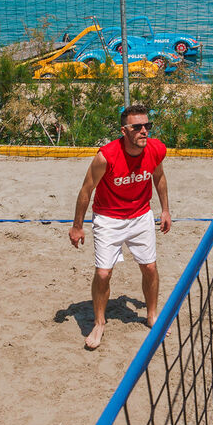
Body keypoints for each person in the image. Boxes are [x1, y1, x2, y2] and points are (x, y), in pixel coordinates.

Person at [68, 105, 172, 351]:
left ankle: (152, 315)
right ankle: (99, 323)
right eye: (137, 127)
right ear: (124, 131)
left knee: (150, 267)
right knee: (104, 273)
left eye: (147, 126)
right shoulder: (106, 156)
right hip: (108, 218)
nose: (144, 131)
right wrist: (77, 226)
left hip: (141, 215)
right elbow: (86, 190)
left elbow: (159, 177)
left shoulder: (156, 149)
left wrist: (165, 210)